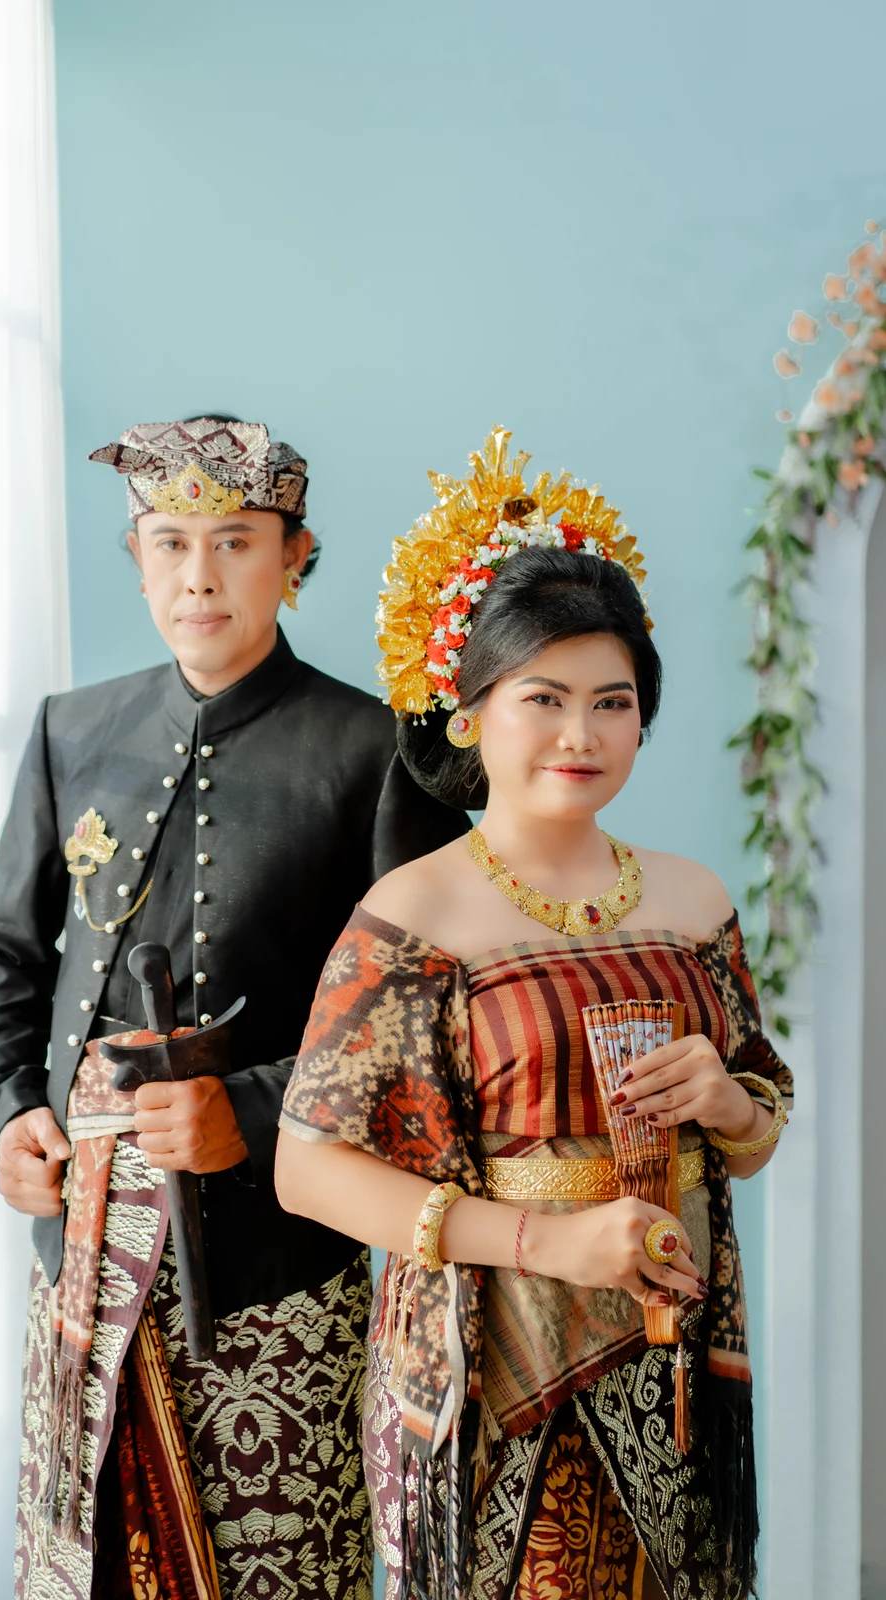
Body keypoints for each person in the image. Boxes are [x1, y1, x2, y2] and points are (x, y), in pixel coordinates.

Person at [276, 429, 793, 1600]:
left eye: (612, 702)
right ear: (467, 712)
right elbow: (307, 1169)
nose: (580, 733)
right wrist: (546, 1241)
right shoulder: (413, 914)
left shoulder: (692, 899)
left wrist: (727, 1102)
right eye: (543, 698)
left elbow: (754, 1127)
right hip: (493, 1374)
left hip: (672, 1358)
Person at [0, 415, 468, 1600]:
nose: (199, 576)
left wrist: (249, 1108)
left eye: (235, 541)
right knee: (83, 1558)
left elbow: (424, 1019)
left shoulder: (374, 753)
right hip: (79, 1252)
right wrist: (5, 1116)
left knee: (274, 1564)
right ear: (137, 560)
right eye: (170, 542)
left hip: (275, 1257)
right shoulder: (70, 729)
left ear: (295, 556)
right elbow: (5, 952)